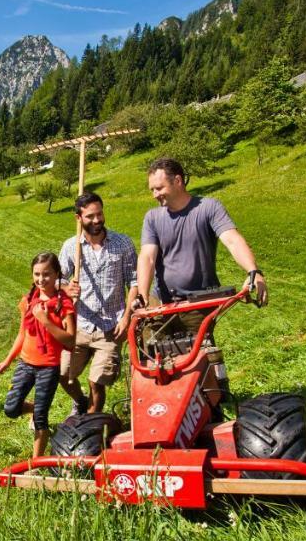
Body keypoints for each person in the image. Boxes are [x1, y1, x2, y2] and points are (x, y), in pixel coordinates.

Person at [137, 157, 267, 406]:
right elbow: (148, 256)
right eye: (152, 189)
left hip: (198, 301)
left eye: (159, 188)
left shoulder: (208, 208)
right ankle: (168, 406)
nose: (155, 195)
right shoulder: (153, 218)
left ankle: (215, 405)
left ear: (178, 181)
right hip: (163, 301)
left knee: (200, 357)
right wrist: (143, 295)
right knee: (156, 355)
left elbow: (231, 239)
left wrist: (253, 270)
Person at [58, 192, 138, 417]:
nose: (96, 220)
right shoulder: (71, 247)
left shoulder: (122, 244)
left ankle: (92, 422)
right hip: (80, 325)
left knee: (97, 381)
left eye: (99, 214)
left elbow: (135, 281)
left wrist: (126, 317)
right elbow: (58, 279)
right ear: (78, 218)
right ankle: (80, 402)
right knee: (63, 374)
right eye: (90, 216)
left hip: (111, 327)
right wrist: (66, 288)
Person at [0, 252, 76, 457]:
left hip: (48, 367)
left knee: (41, 418)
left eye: (47, 274)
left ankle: (36, 462)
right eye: (37, 274)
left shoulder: (63, 304)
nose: (41, 279)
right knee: (11, 408)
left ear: (57, 273)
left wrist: (46, 320)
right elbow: (22, 333)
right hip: (26, 363)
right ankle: (33, 409)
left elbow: (70, 340)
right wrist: (7, 360)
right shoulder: (29, 300)